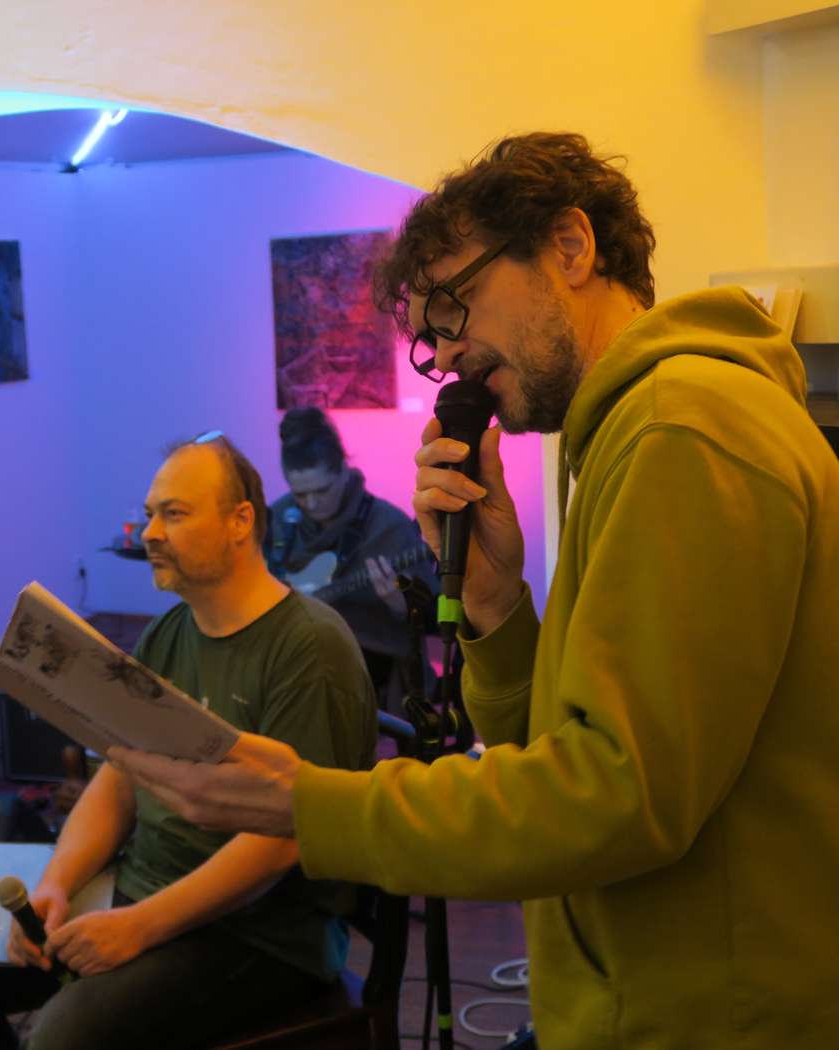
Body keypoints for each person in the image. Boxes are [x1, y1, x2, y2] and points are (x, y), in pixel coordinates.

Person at [111, 132, 839, 1049]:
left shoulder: (680, 429)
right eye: (431, 338)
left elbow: (619, 797)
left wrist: (314, 803)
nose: (449, 356)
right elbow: (569, 751)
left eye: (454, 306)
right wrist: (495, 606)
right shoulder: (623, 430)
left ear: (570, 246)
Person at [0, 434, 373, 1050]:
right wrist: (57, 883)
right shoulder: (170, 631)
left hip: (261, 934)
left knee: (62, 1037)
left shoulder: (310, 646)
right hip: (144, 890)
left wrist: (138, 927)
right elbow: (120, 777)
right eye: (150, 514)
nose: (149, 533)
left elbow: (284, 838)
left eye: (174, 514)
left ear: (240, 521)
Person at [266, 406, 440, 709]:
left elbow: (438, 617)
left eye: (322, 491)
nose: (311, 504)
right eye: (300, 495)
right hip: (288, 666)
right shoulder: (277, 518)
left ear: (344, 471)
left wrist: (403, 607)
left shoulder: (389, 527)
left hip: (367, 677)